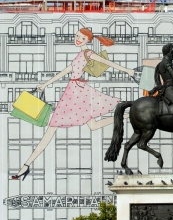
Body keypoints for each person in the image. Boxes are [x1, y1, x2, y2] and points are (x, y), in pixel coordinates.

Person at [11, 28, 135, 180]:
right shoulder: (79, 56)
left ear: (87, 41)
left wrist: (127, 70)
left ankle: (26, 166)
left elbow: (106, 62)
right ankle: (127, 115)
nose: (77, 39)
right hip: (74, 92)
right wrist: (45, 84)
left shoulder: (88, 53)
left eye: (81, 38)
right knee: (92, 126)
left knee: (52, 129)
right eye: (77, 36)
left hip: (76, 94)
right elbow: (64, 72)